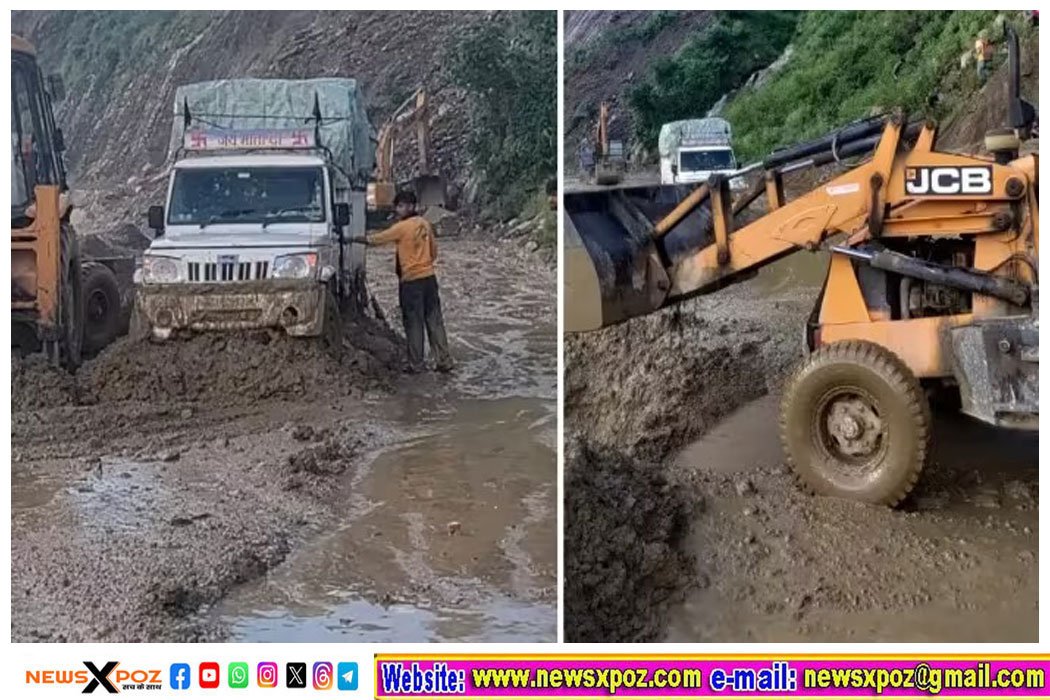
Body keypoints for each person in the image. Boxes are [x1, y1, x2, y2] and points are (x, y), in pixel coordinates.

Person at [352, 190, 453, 373]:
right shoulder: (425, 224)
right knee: (434, 320)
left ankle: (417, 364)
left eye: (399, 206)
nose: (397, 210)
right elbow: (434, 252)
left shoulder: (401, 227)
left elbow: (378, 239)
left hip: (411, 282)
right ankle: (444, 361)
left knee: (414, 323)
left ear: (409, 207)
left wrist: (357, 239)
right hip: (429, 279)